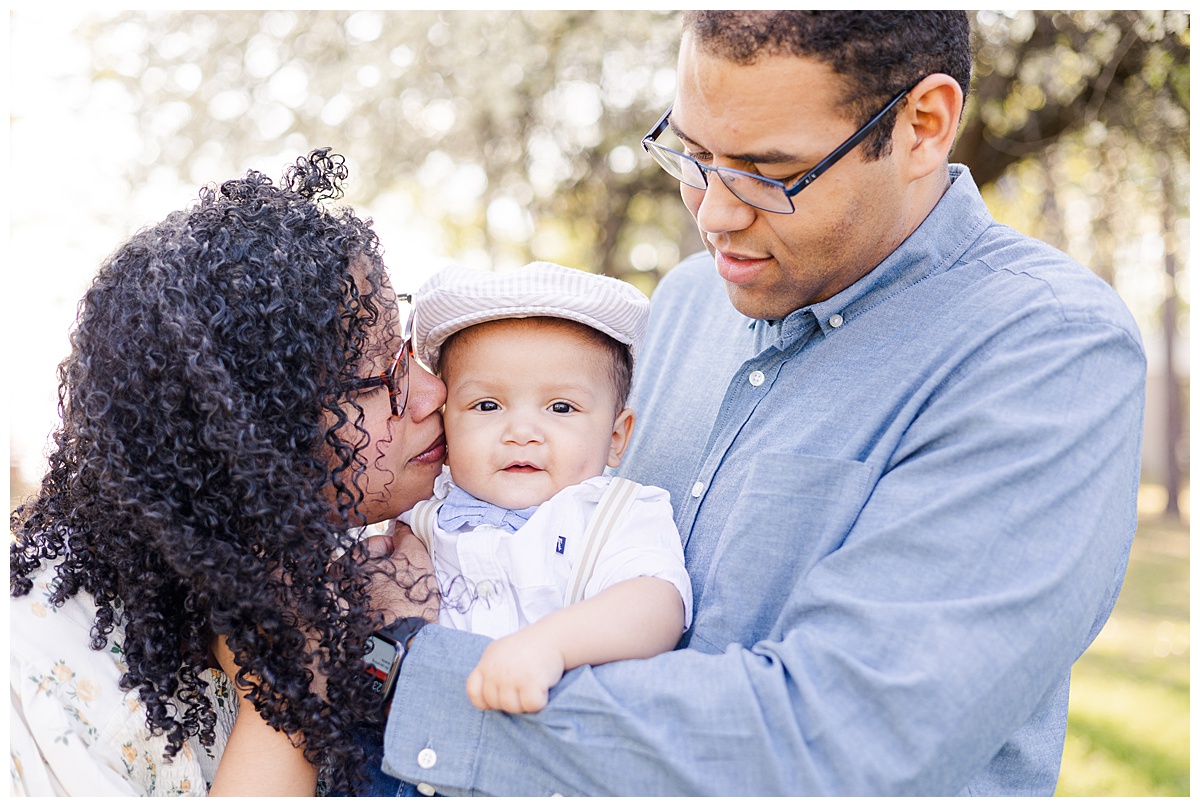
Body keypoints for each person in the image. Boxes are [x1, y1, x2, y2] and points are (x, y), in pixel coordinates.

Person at [373, 11, 1146, 796]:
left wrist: (395, 674)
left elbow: (839, 741)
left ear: (923, 125)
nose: (712, 213)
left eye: (768, 173)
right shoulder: (683, 306)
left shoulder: (1045, 352)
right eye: (693, 153)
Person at [9, 150, 446, 796]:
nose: (434, 392)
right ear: (262, 432)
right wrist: (290, 690)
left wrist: (401, 642)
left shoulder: (333, 560)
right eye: (388, 377)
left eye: (408, 351)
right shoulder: (36, 672)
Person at [400, 262, 692, 715]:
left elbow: (657, 604)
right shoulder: (420, 512)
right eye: (487, 404)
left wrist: (551, 645)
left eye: (560, 406)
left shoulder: (616, 513)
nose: (521, 432)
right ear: (445, 425)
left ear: (616, 438)